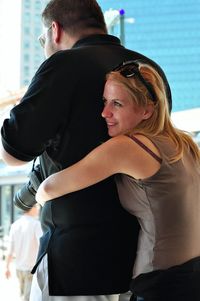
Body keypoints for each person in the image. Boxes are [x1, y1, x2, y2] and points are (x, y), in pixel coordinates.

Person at [0, 0, 172, 300]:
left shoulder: (63, 64)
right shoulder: (148, 69)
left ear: (55, 30)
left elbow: (14, 151)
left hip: (78, 260)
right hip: (145, 261)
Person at [35, 60, 200, 301]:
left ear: (147, 110)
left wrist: (37, 196)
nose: (105, 113)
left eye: (117, 104)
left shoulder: (130, 146)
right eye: (105, 102)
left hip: (161, 286)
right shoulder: (184, 144)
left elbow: (48, 188)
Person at [5, 205, 42, 301]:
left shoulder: (15, 225)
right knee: (28, 298)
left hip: (19, 268)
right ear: (30, 208)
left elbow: (10, 249)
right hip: (31, 268)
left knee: (22, 296)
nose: (38, 209)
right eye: (36, 207)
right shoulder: (36, 224)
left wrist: (7, 267)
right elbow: (42, 246)